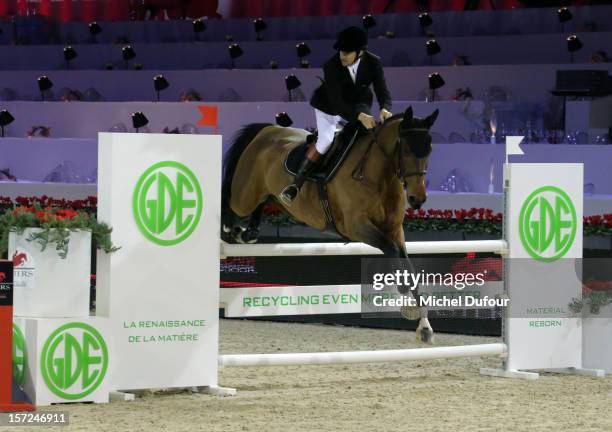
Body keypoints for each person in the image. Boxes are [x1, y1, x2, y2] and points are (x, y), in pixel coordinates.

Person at [279, 26, 393, 205]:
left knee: (370, 136)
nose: (342, 56)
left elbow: (382, 90)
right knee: (326, 140)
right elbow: (338, 104)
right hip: (329, 107)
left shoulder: (374, 63)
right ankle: (296, 185)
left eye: (347, 52)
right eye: (341, 51)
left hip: (358, 103)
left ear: (360, 52)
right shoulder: (331, 66)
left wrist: (385, 108)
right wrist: (359, 116)